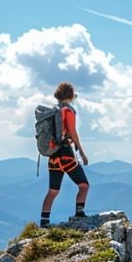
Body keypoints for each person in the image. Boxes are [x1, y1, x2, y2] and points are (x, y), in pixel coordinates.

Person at [40, 81, 89, 227]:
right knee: (84, 185)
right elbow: (72, 132)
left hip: (53, 156)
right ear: (70, 95)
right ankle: (79, 214)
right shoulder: (68, 111)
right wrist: (81, 151)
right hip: (66, 155)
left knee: (53, 191)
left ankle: (44, 222)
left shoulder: (54, 110)